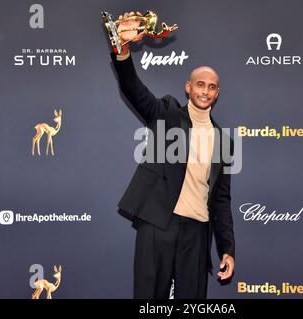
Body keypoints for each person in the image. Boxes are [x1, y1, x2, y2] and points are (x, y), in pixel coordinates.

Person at [110, 11, 235, 299]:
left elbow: (221, 201)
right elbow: (133, 88)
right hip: (158, 224)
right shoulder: (167, 113)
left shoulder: (224, 142)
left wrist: (227, 248)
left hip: (197, 232)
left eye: (212, 86)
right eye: (200, 84)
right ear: (188, 88)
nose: (205, 90)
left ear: (217, 94)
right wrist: (123, 49)